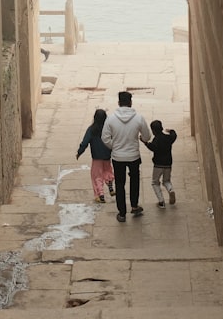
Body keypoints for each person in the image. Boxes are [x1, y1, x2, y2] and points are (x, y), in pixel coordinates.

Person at [101, 91, 152, 222]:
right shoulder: (138, 118)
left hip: (118, 157)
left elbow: (105, 138)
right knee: (134, 181)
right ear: (130, 103)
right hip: (134, 156)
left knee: (119, 183)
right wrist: (141, 139)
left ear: (118, 103)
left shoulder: (111, 119)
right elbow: (147, 136)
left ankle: (122, 213)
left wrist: (115, 146)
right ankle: (134, 205)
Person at [76, 109, 115, 203]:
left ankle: (100, 194)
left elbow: (85, 142)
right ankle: (110, 185)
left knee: (96, 176)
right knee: (107, 171)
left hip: (96, 157)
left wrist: (79, 152)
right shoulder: (109, 129)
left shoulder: (92, 129)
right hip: (107, 156)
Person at [144, 120, 178, 208]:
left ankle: (161, 202)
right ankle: (170, 190)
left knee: (155, 182)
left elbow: (153, 147)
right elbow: (174, 136)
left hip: (158, 164)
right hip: (168, 164)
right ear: (161, 128)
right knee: (166, 181)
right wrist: (171, 131)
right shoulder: (168, 138)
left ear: (153, 131)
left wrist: (145, 142)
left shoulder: (156, 139)